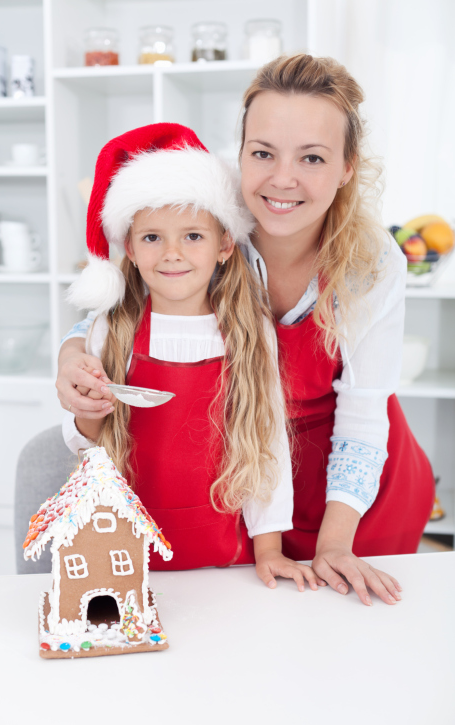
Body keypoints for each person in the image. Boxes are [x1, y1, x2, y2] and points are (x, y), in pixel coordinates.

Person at [57, 55, 435, 607]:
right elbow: (115, 306)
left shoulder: (372, 263)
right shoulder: (203, 218)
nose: (283, 179)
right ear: (240, 154)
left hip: (353, 497)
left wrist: (335, 543)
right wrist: (73, 357)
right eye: (262, 153)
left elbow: (363, 418)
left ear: (348, 166)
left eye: (312, 157)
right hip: (246, 485)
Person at [61, 122, 322, 592]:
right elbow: (86, 447)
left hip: (229, 562)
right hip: (130, 557)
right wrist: (88, 412)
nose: (172, 254)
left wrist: (269, 550)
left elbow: (268, 447)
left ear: (225, 246)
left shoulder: (248, 333)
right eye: (152, 237)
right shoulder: (110, 330)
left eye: (193, 237)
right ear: (130, 249)